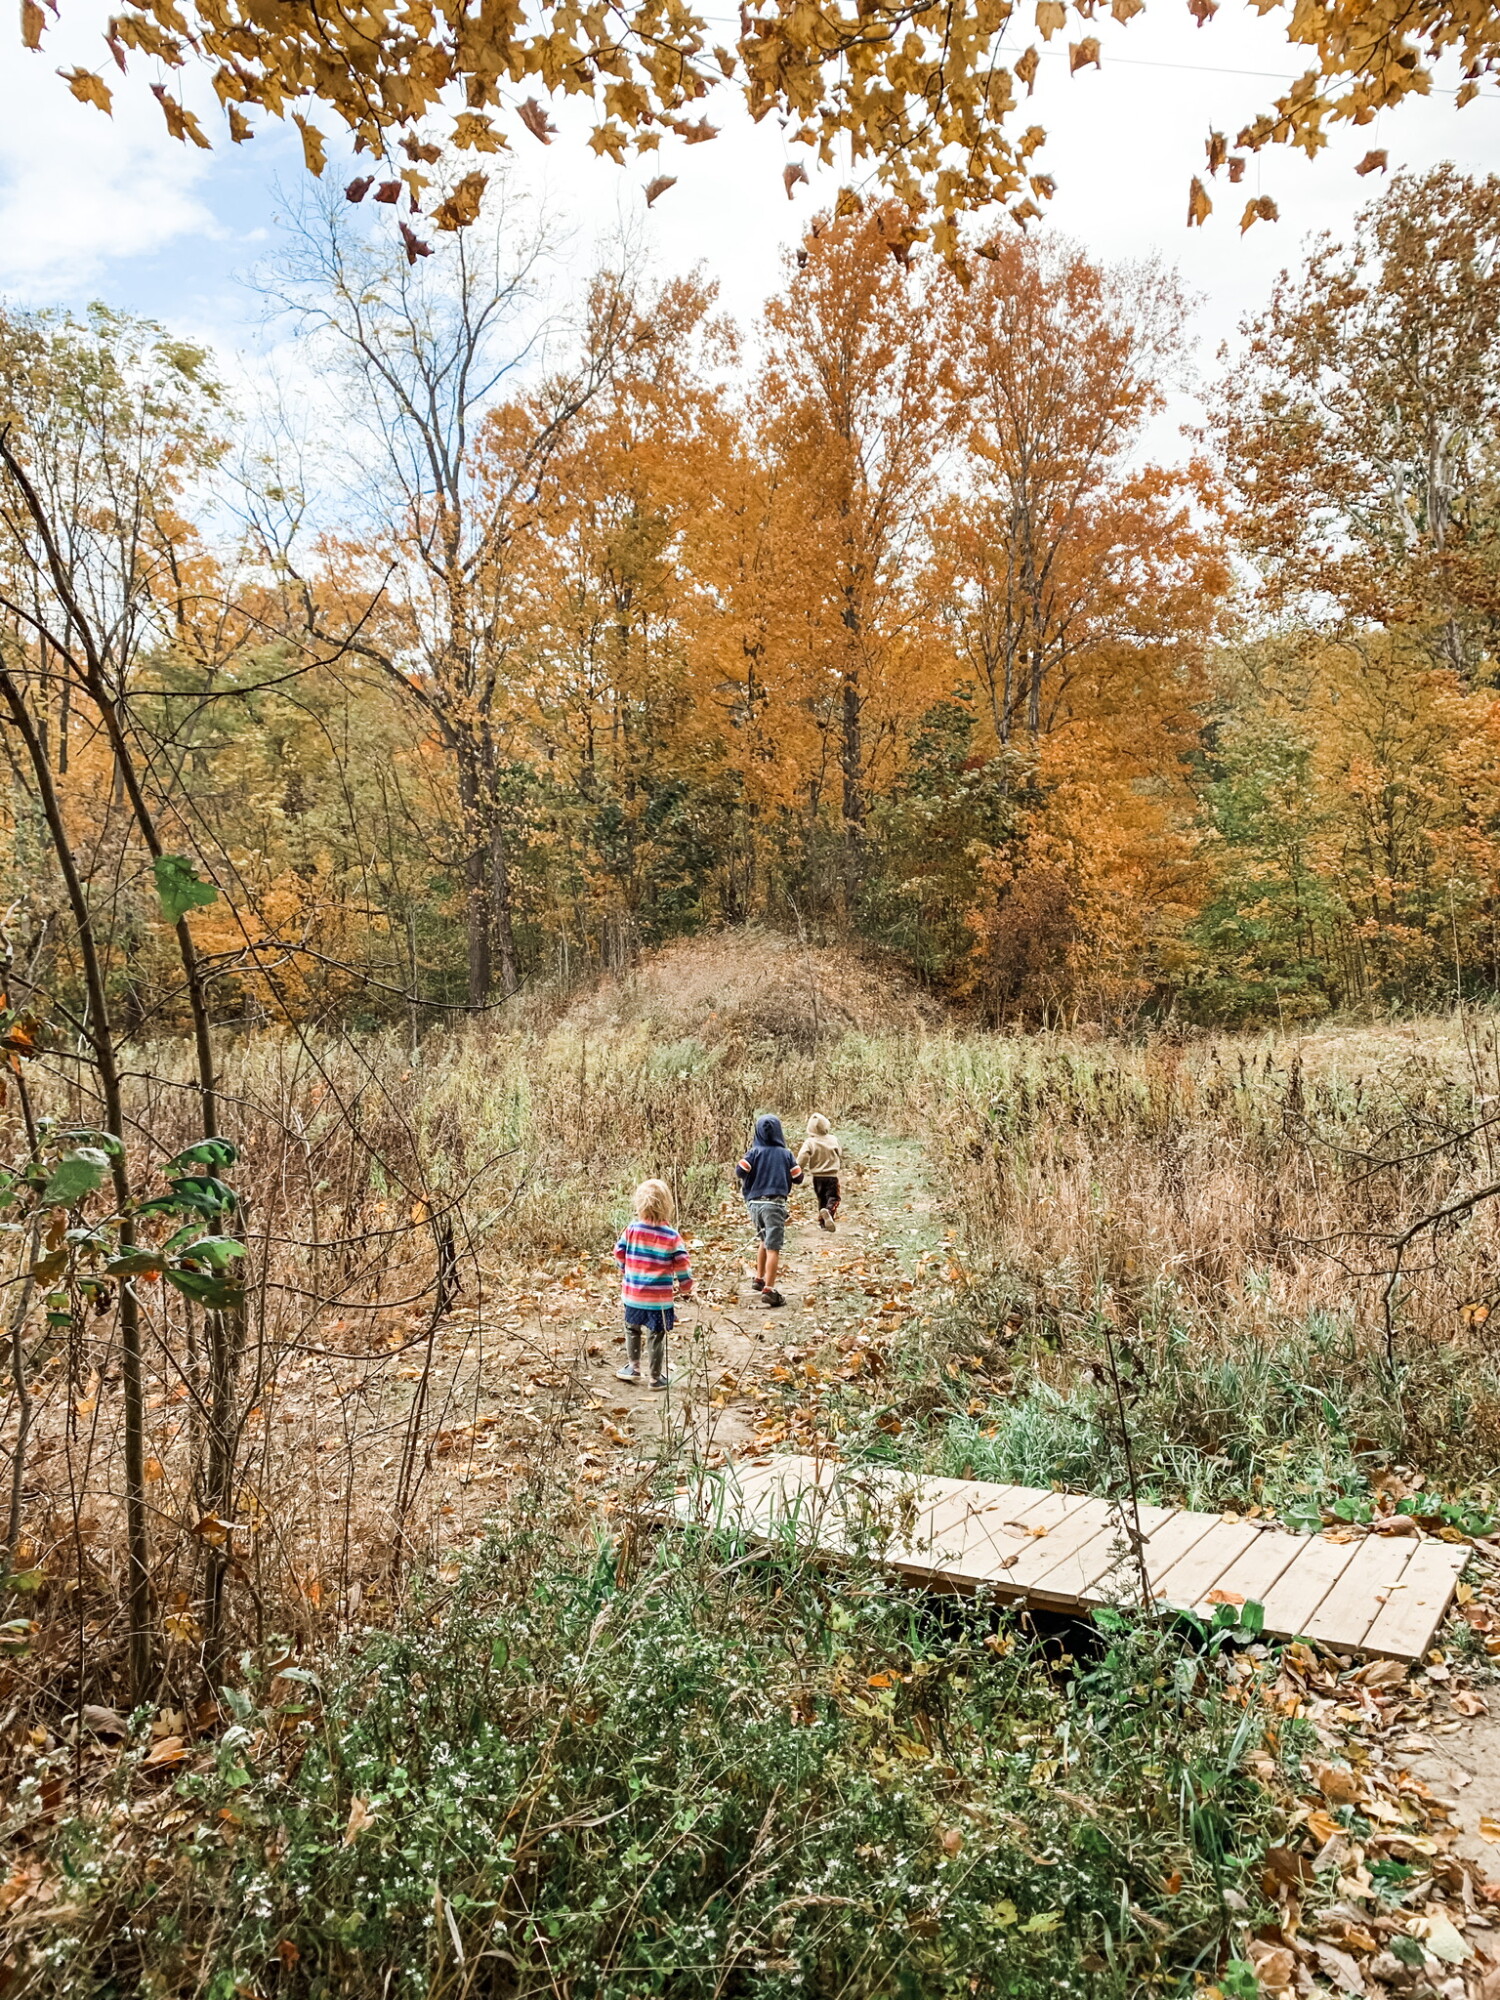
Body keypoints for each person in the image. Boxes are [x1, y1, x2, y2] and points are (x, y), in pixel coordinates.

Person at [612, 1179, 693, 1388]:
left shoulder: (632, 1230)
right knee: (656, 1336)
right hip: (659, 1300)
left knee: (632, 1329)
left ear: (639, 1205)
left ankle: (633, 1367)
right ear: (668, 1205)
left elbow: (619, 1252)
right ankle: (655, 1378)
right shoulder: (671, 1236)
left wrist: (625, 1270)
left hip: (633, 1295)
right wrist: (686, 1285)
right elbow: (682, 1262)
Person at [735, 1113, 802, 1308]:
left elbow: (740, 1171)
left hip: (754, 1204)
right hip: (774, 1204)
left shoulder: (754, 1153)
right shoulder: (786, 1154)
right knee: (774, 1247)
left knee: (763, 1240)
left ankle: (758, 1278)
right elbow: (798, 1177)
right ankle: (770, 1289)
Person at [797, 1113, 842, 1232]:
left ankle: (823, 1223)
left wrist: (797, 1169)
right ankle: (829, 1212)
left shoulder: (810, 1142)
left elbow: (803, 1157)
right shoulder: (833, 1139)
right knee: (834, 1198)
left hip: (817, 1177)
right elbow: (839, 1153)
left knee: (822, 1199)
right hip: (832, 1176)